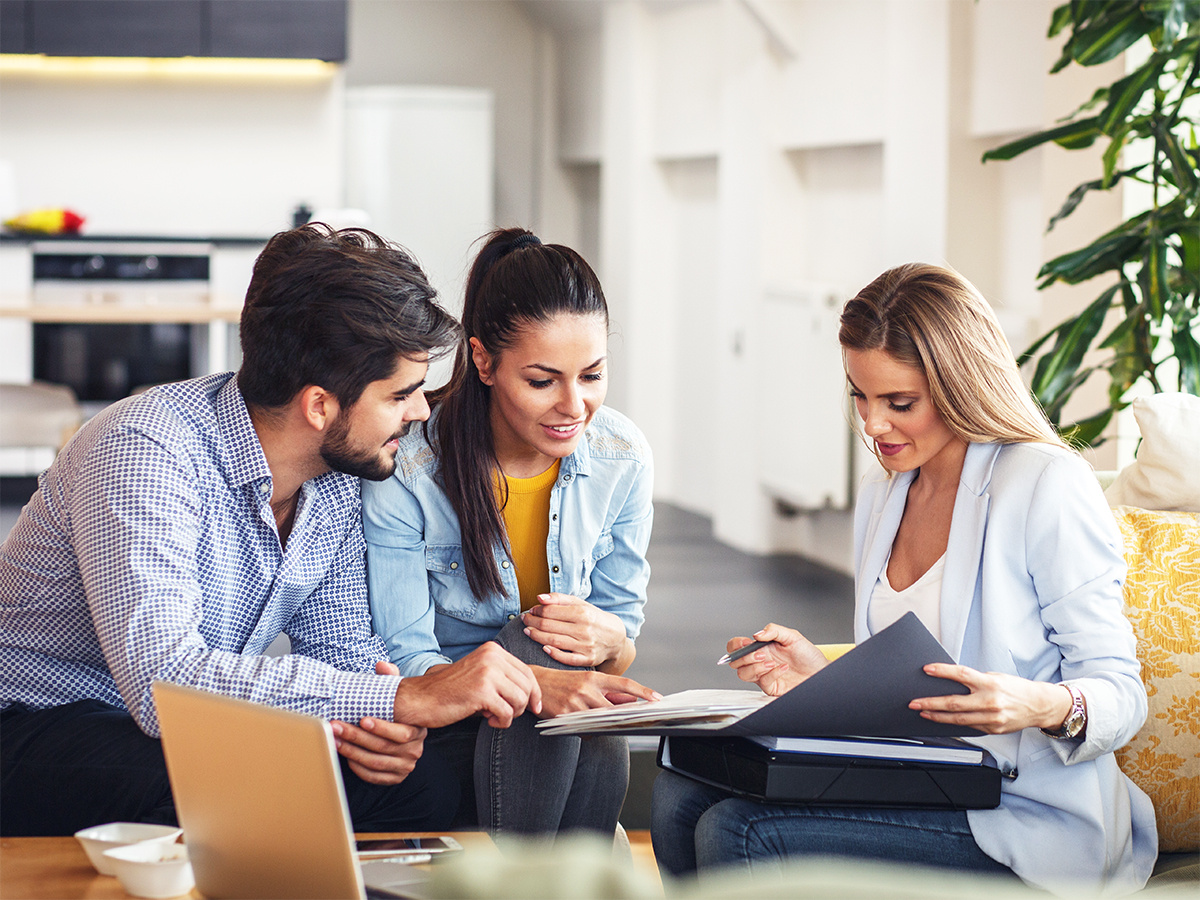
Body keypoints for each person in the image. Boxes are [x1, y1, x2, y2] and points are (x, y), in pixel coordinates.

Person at [0, 224, 542, 837]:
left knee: (416, 786)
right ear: (319, 406)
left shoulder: (336, 476)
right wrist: (397, 699)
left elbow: (340, 649)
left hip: (177, 728)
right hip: (38, 722)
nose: (419, 412)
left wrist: (375, 726)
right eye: (400, 395)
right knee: (207, 781)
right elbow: (165, 684)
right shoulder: (145, 448)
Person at [651, 263, 1157, 893]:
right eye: (860, 394)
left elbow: (1121, 695)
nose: (872, 424)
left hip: (1024, 814)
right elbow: (914, 676)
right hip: (923, 780)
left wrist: (1037, 704)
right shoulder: (885, 492)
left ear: (961, 385)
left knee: (741, 829)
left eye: (900, 403)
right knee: (678, 795)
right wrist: (822, 675)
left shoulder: (1045, 484)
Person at [361, 227, 659, 837]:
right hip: (452, 722)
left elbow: (619, 646)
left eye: (593, 375)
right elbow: (405, 657)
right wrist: (534, 682)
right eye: (543, 381)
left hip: (563, 724)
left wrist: (607, 640)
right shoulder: (411, 468)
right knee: (529, 645)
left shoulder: (622, 457)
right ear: (483, 361)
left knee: (580, 690)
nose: (574, 406)